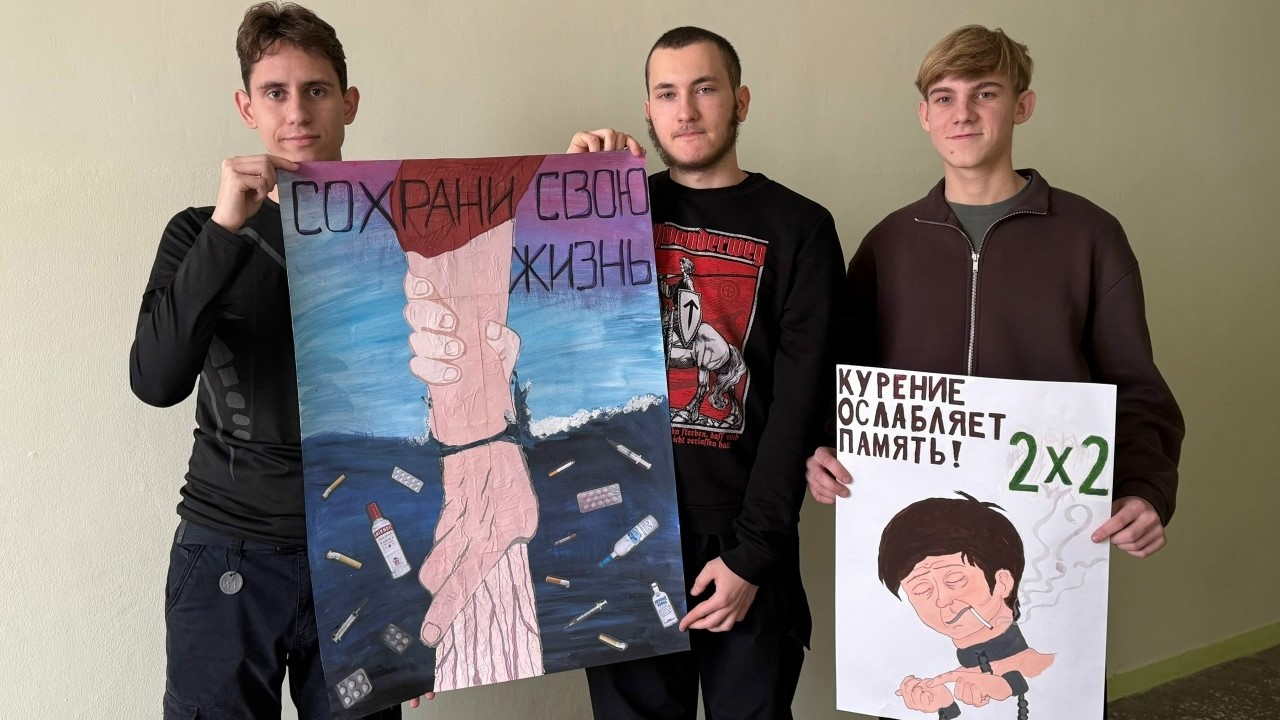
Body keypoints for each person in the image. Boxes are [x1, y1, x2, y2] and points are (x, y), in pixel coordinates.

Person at [806, 24, 1184, 559]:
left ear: (1022, 106)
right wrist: (825, 446)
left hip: (1052, 530)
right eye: (945, 98)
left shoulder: (1091, 237)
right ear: (925, 115)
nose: (962, 114)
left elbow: (1137, 389)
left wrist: (1145, 490)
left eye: (984, 93)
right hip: (909, 521)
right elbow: (844, 380)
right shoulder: (886, 245)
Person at [128, 3, 406, 717]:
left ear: (348, 103)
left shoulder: (398, 232)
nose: (298, 112)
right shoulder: (200, 233)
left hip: (363, 549)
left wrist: (586, 176)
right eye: (275, 92)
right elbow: (156, 381)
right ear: (246, 107)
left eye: (316, 90)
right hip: (230, 551)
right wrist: (227, 225)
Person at [567, 25, 845, 720]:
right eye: (666, 94)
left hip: (744, 539)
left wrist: (754, 554)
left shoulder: (802, 228)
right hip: (624, 537)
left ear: (740, 101)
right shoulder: (607, 212)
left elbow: (800, 405)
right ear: (648, 112)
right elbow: (557, 341)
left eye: (704, 89)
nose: (685, 110)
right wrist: (574, 190)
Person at [879, 492, 1053, 719]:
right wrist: (946, 708)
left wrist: (1011, 685)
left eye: (955, 580)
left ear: (1002, 582)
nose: (942, 600)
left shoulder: (1052, 666)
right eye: (921, 590)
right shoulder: (945, 681)